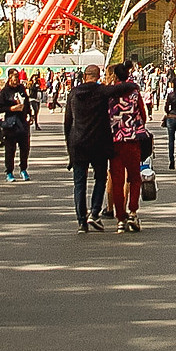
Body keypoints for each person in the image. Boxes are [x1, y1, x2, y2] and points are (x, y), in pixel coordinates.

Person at [65, 65, 115, 232]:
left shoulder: (73, 93)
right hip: (98, 142)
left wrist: (69, 148)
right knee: (100, 178)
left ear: (84, 76)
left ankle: (81, 221)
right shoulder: (102, 91)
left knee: (79, 183)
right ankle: (94, 212)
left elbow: (67, 122)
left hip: (78, 143)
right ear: (98, 75)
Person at [107, 62, 149, 231]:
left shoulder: (109, 94)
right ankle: (133, 211)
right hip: (132, 139)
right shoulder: (134, 93)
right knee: (134, 178)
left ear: (115, 76)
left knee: (117, 180)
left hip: (114, 140)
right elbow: (143, 114)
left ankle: (120, 218)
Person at [0, 73, 32, 182]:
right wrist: (12, 108)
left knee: (24, 148)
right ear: (9, 79)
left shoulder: (21, 89)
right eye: (14, 78)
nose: (16, 81)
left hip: (22, 123)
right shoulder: (4, 92)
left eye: (17, 78)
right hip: (10, 124)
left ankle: (23, 169)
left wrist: (30, 114)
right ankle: (9, 172)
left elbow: (27, 102)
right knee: (10, 150)